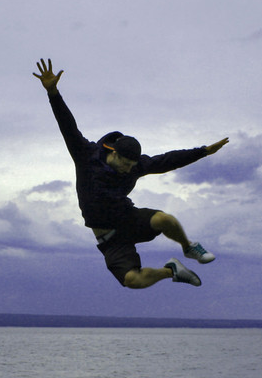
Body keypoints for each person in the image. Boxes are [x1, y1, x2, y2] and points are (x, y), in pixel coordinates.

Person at [34, 58, 229, 289]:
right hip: (109, 238)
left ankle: (188, 247)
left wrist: (203, 152)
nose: (129, 169)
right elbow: (67, 126)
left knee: (164, 219)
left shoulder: (137, 166)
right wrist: (53, 92)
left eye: (132, 166)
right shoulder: (86, 156)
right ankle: (172, 271)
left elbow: (167, 160)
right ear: (113, 153)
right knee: (132, 281)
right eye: (125, 164)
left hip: (128, 219)